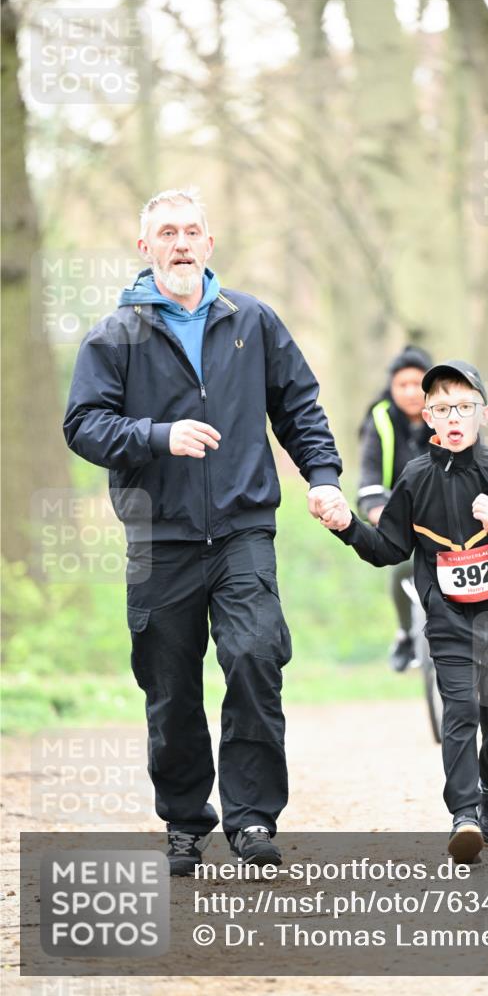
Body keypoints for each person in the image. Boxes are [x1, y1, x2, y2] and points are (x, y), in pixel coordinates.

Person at [63, 188, 348, 874]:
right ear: (145, 249)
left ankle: (252, 819)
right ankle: (186, 822)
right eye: (167, 233)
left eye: (192, 231)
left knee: (254, 659)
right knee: (171, 685)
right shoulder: (114, 334)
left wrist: (325, 477)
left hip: (245, 527)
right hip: (160, 537)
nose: (181, 242)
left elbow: (299, 406)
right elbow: (82, 425)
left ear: (210, 244)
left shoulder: (251, 320)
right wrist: (157, 436)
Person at [319, 360, 488, 863]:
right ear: (427, 416)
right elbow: (389, 549)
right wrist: (346, 525)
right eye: (443, 407)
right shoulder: (416, 477)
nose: (454, 416)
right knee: (460, 708)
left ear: (482, 414)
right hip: (447, 613)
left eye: (464, 407)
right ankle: (464, 814)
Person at [357, 345, 433, 671]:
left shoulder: (452, 413)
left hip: (448, 516)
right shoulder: (380, 422)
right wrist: (382, 517)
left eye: (418, 384)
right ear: (391, 388)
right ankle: (406, 632)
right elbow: (369, 484)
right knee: (404, 565)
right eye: (402, 385)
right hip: (401, 516)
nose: (411, 392)